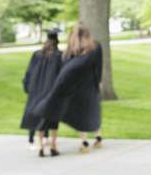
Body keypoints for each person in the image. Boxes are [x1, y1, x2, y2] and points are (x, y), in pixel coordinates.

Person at [34, 24, 103, 153]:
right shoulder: (95, 46)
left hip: (77, 85)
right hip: (89, 84)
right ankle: (98, 136)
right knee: (93, 109)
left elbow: (66, 68)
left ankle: (84, 141)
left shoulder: (71, 49)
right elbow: (98, 66)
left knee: (81, 112)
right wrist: (98, 81)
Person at [20, 29, 62, 157]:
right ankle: (53, 147)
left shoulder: (36, 54)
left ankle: (41, 147)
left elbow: (28, 73)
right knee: (53, 120)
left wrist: (28, 88)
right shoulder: (59, 55)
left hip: (37, 92)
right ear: (57, 41)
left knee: (40, 120)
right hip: (52, 92)